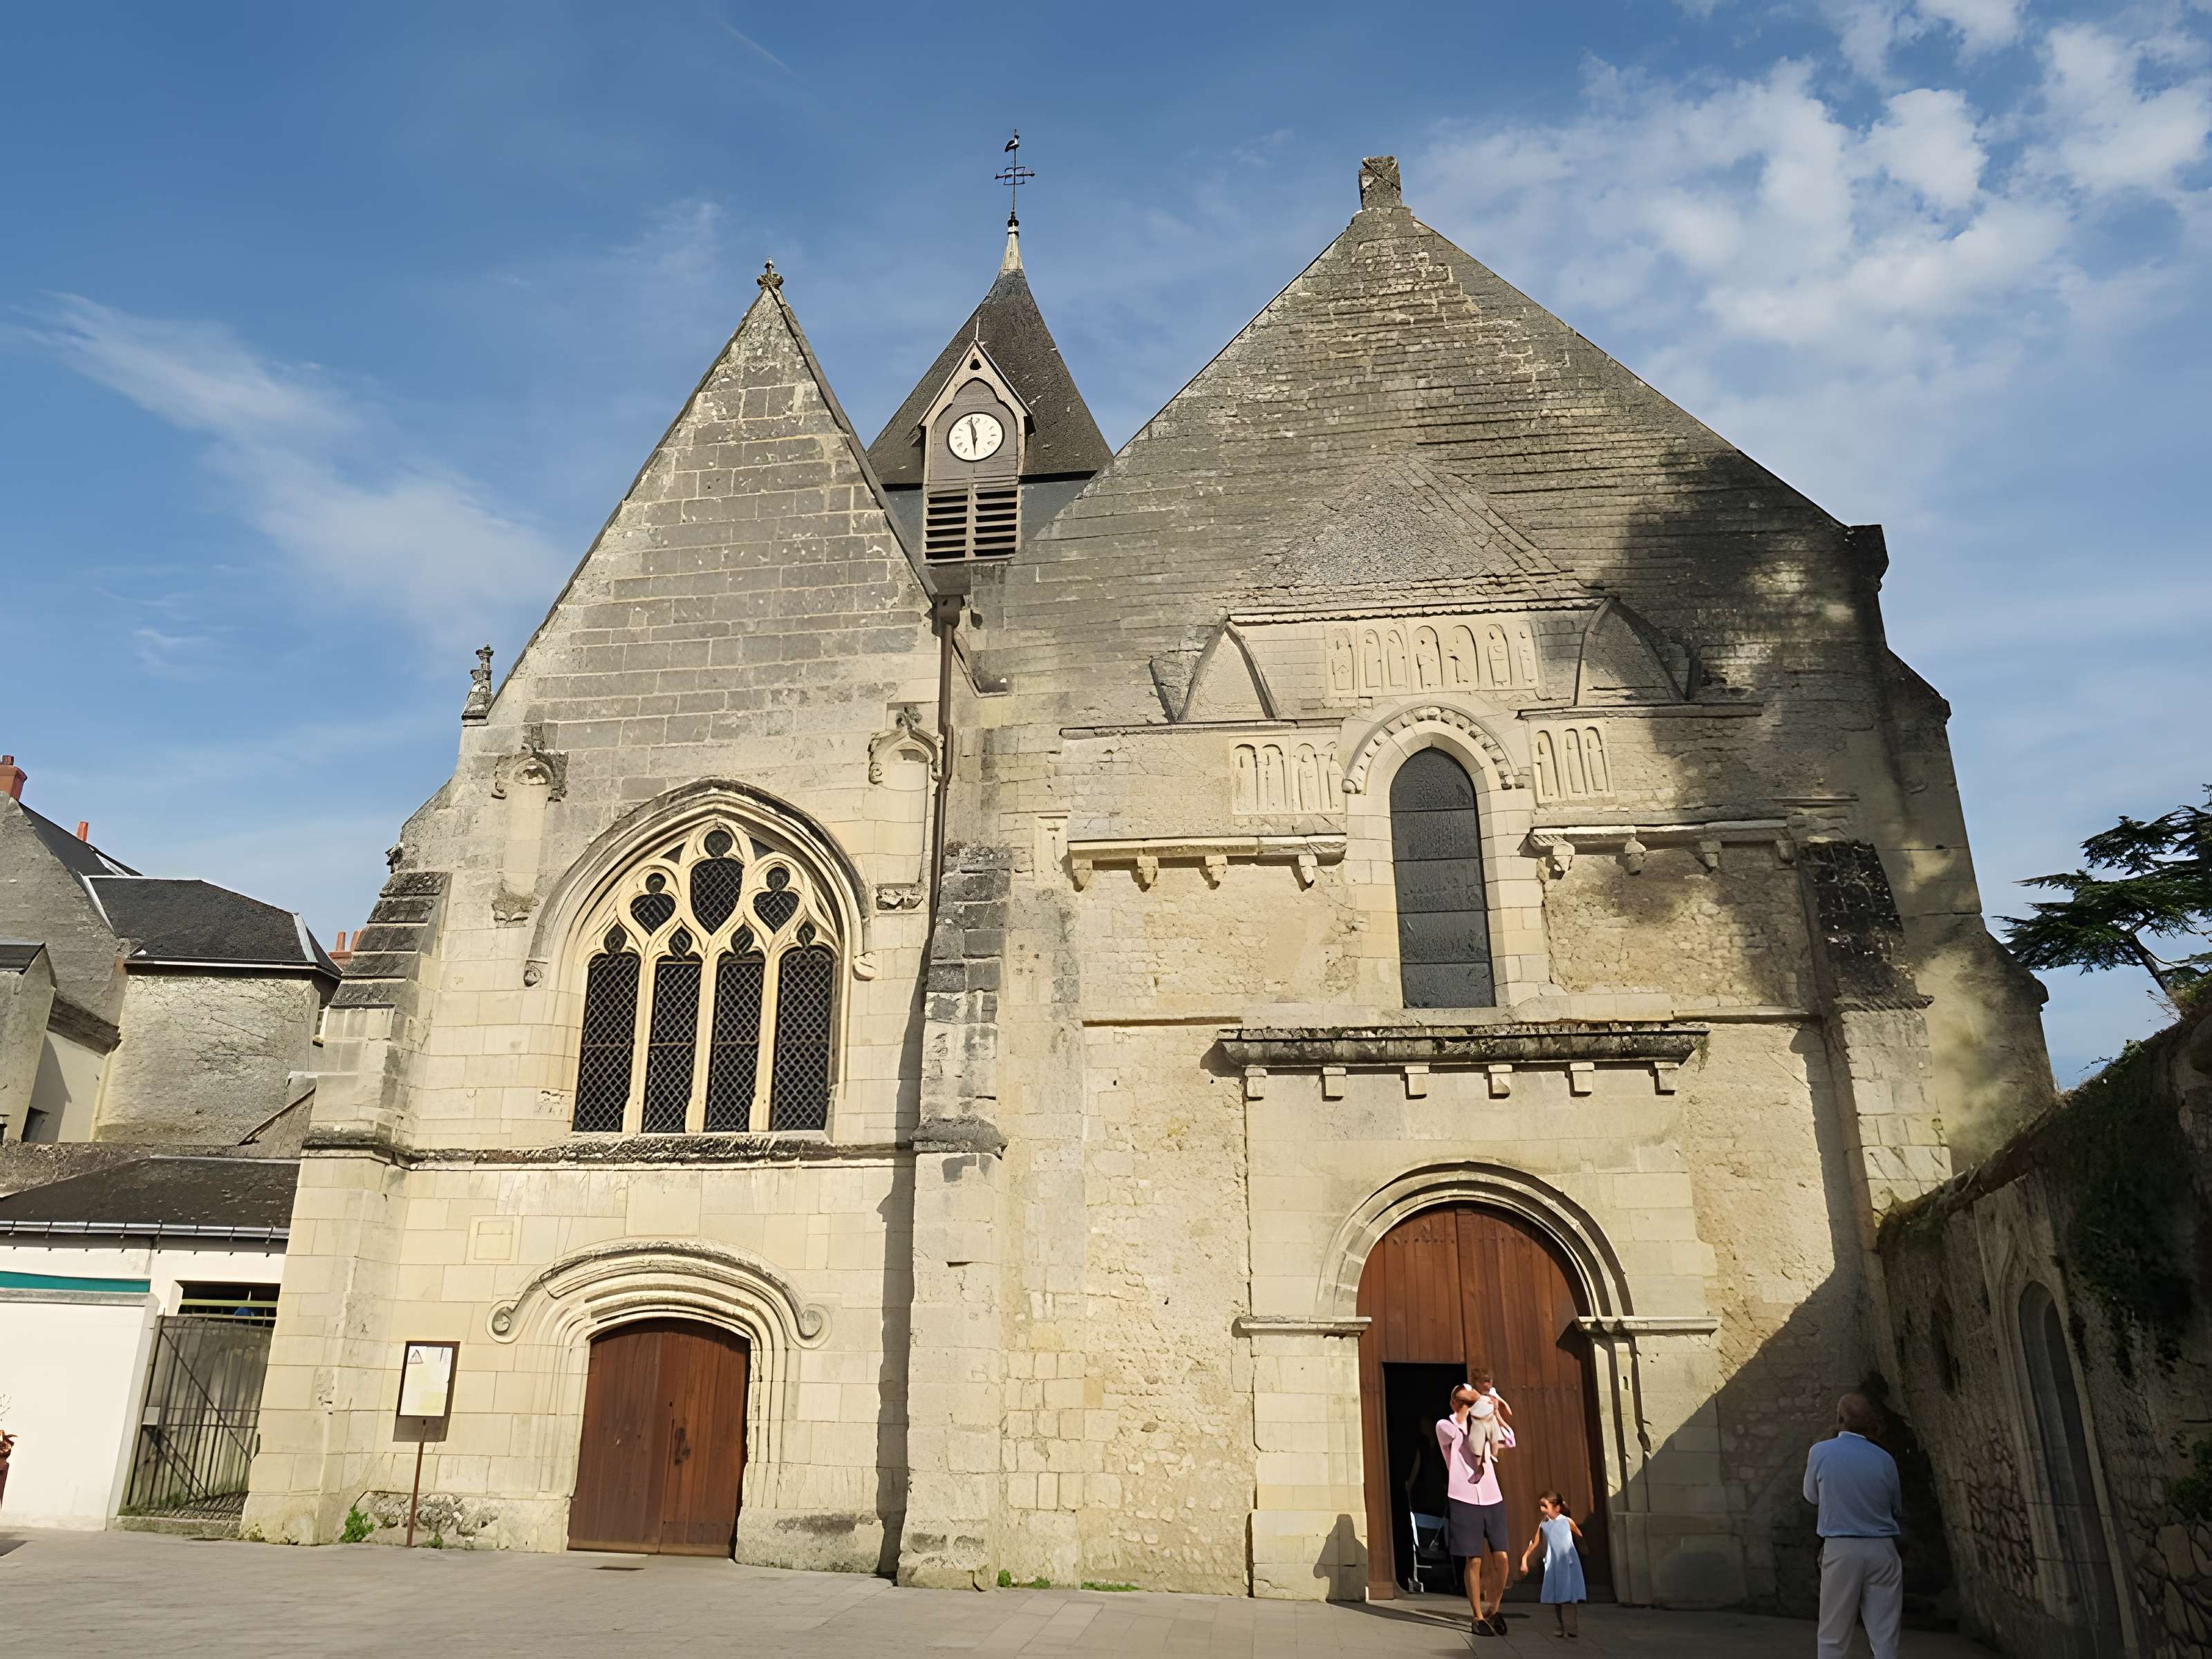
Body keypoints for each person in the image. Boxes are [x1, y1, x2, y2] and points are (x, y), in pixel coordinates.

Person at [1803, 1392, 1905, 1659]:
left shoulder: (1821, 1452)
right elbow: (1896, 1506)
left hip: (1842, 1548)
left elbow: (1811, 1496)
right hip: (1882, 1548)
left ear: (1839, 1419)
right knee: (1885, 1636)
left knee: (1832, 1636)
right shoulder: (1885, 1458)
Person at [1437, 1376, 1516, 1638]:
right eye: (1462, 1399)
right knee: (1475, 1559)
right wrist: (1470, 1406)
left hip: (1492, 1497)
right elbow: (1455, 1430)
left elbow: (1509, 1440)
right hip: (1464, 1497)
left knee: (1502, 1557)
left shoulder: (1483, 1422)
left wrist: (1493, 1413)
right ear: (1454, 1402)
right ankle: (1477, 1616)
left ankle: (1494, 1608)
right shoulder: (1446, 1426)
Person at [1519, 1490, 1587, 1640]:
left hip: (1568, 1564)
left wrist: (1581, 1551)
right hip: (1554, 1564)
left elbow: (1579, 1535)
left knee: (1569, 1597)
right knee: (1557, 1597)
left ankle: (1571, 1627)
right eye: (1541, 1506)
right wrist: (1525, 1559)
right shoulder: (1544, 1524)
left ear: (1557, 1508)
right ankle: (1560, 1625)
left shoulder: (1566, 1521)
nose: (1542, 1509)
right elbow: (1535, 1542)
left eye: (1545, 1506)